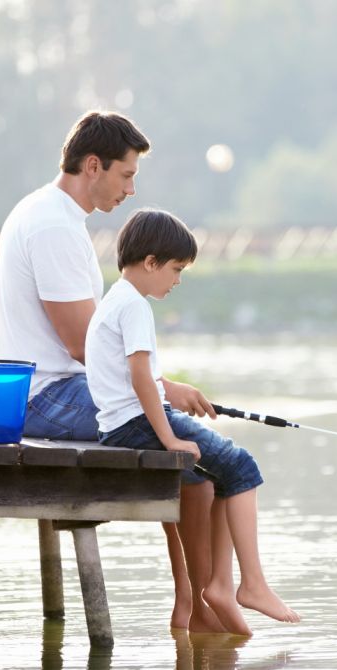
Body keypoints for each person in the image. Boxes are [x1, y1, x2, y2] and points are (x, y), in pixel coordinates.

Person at [0, 110, 223, 633]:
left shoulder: (49, 213)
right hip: (45, 398)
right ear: (92, 165)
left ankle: (193, 598)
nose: (132, 189)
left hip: (50, 389)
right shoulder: (53, 225)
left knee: (181, 439)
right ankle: (196, 603)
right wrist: (162, 389)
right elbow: (82, 345)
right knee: (187, 444)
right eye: (126, 174)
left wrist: (159, 392)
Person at [85, 208, 300, 635]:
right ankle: (251, 584)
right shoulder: (134, 307)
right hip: (139, 424)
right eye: (176, 269)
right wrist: (168, 437)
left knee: (225, 475)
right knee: (243, 467)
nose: (177, 279)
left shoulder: (114, 300)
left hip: (120, 424)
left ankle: (221, 586)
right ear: (150, 262)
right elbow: (141, 377)